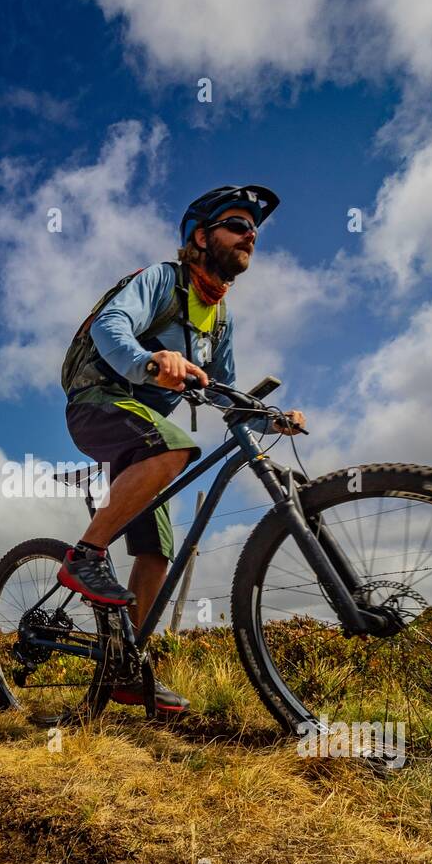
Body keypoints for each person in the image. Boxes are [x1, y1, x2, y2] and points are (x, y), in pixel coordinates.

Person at [57, 184, 306, 714]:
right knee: (176, 448)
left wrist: (269, 416)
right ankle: (83, 557)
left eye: (254, 229)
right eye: (238, 224)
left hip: (143, 436)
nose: (251, 235)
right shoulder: (162, 281)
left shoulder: (221, 317)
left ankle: (128, 668)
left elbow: (223, 388)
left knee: (155, 550)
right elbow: (111, 324)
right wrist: (153, 361)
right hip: (99, 403)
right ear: (201, 236)